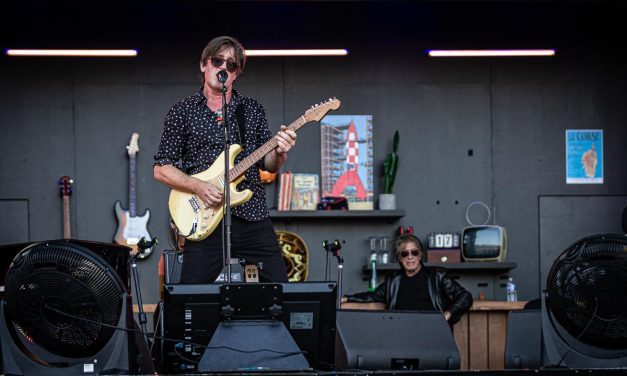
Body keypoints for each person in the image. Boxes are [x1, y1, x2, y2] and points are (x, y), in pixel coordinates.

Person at [153, 35, 296, 283]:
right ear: (203, 64)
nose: (223, 68)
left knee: (280, 289)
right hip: (206, 215)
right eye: (218, 61)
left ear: (236, 73)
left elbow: (268, 164)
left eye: (231, 65)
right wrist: (199, 186)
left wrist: (280, 152)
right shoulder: (182, 111)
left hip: (251, 214)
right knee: (192, 298)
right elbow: (161, 168)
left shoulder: (252, 110)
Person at [342, 234, 473, 324]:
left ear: (420, 255)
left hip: (433, 333)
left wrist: (447, 315)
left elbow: (465, 297)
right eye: (405, 253)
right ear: (399, 258)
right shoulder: (394, 281)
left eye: (414, 252)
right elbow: (373, 296)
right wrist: (347, 298)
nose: (410, 257)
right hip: (401, 334)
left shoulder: (438, 276)